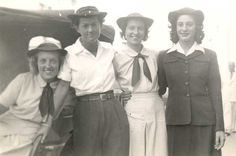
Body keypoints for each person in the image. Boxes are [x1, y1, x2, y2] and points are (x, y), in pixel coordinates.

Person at [54, 6, 130, 156]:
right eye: (85, 25)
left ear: (100, 26)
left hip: (113, 108)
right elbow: (62, 87)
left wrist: (125, 90)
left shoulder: (110, 50)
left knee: (117, 151)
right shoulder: (70, 53)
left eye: (94, 24)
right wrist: (46, 121)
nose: (90, 29)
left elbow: (122, 75)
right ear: (77, 28)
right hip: (86, 111)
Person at [157, 7, 225, 156]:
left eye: (189, 24)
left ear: (197, 27)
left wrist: (220, 127)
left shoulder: (209, 56)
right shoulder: (164, 57)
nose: (184, 28)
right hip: (175, 123)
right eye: (180, 24)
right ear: (175, 28)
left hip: (205, 123)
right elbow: (158, 90)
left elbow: (216, 93)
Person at [0, 36, 74, 156]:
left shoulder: (64, 90)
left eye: (53, 61)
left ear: (60, 63)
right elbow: (2, 105)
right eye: (43, 61)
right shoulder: (23, 80)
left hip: (31, 132)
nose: (48, 66)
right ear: (36, 63)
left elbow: (62, 121)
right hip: (8, 122)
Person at [114, 13, 168, 156]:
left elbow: (163, 80)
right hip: (132, 105)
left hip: (155, 105)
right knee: (135, 149)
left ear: (145, 32)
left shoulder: (155, 55)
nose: (136, 32)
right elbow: (112, 83)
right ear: (124, 32)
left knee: (157, 149)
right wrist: (119, 92)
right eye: (131, 28)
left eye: (140, 28)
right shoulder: (117, 57)